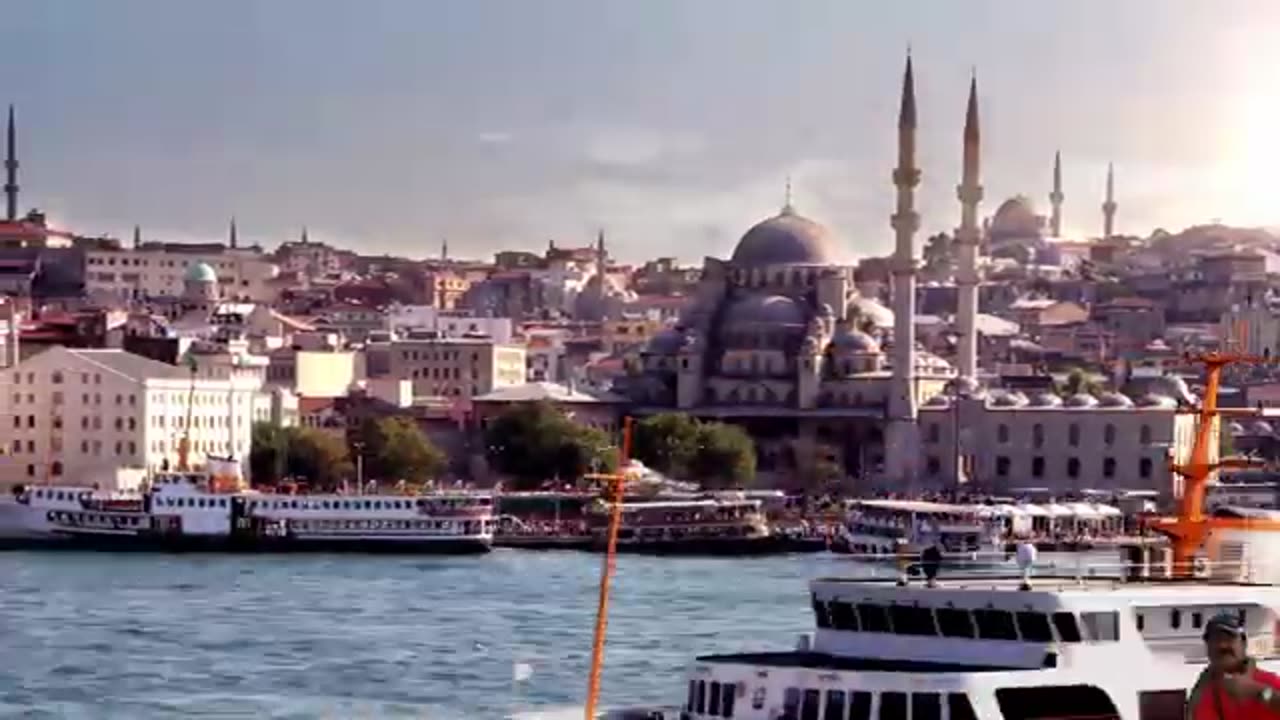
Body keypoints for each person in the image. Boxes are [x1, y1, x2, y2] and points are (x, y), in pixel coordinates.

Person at [1188, 612, 1280, 719]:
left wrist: (1257, 692)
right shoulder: (1201, 693)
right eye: (1216, 639)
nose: (1222, 645)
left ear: (1243, 643)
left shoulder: (1269, 682)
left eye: (1229, 638)